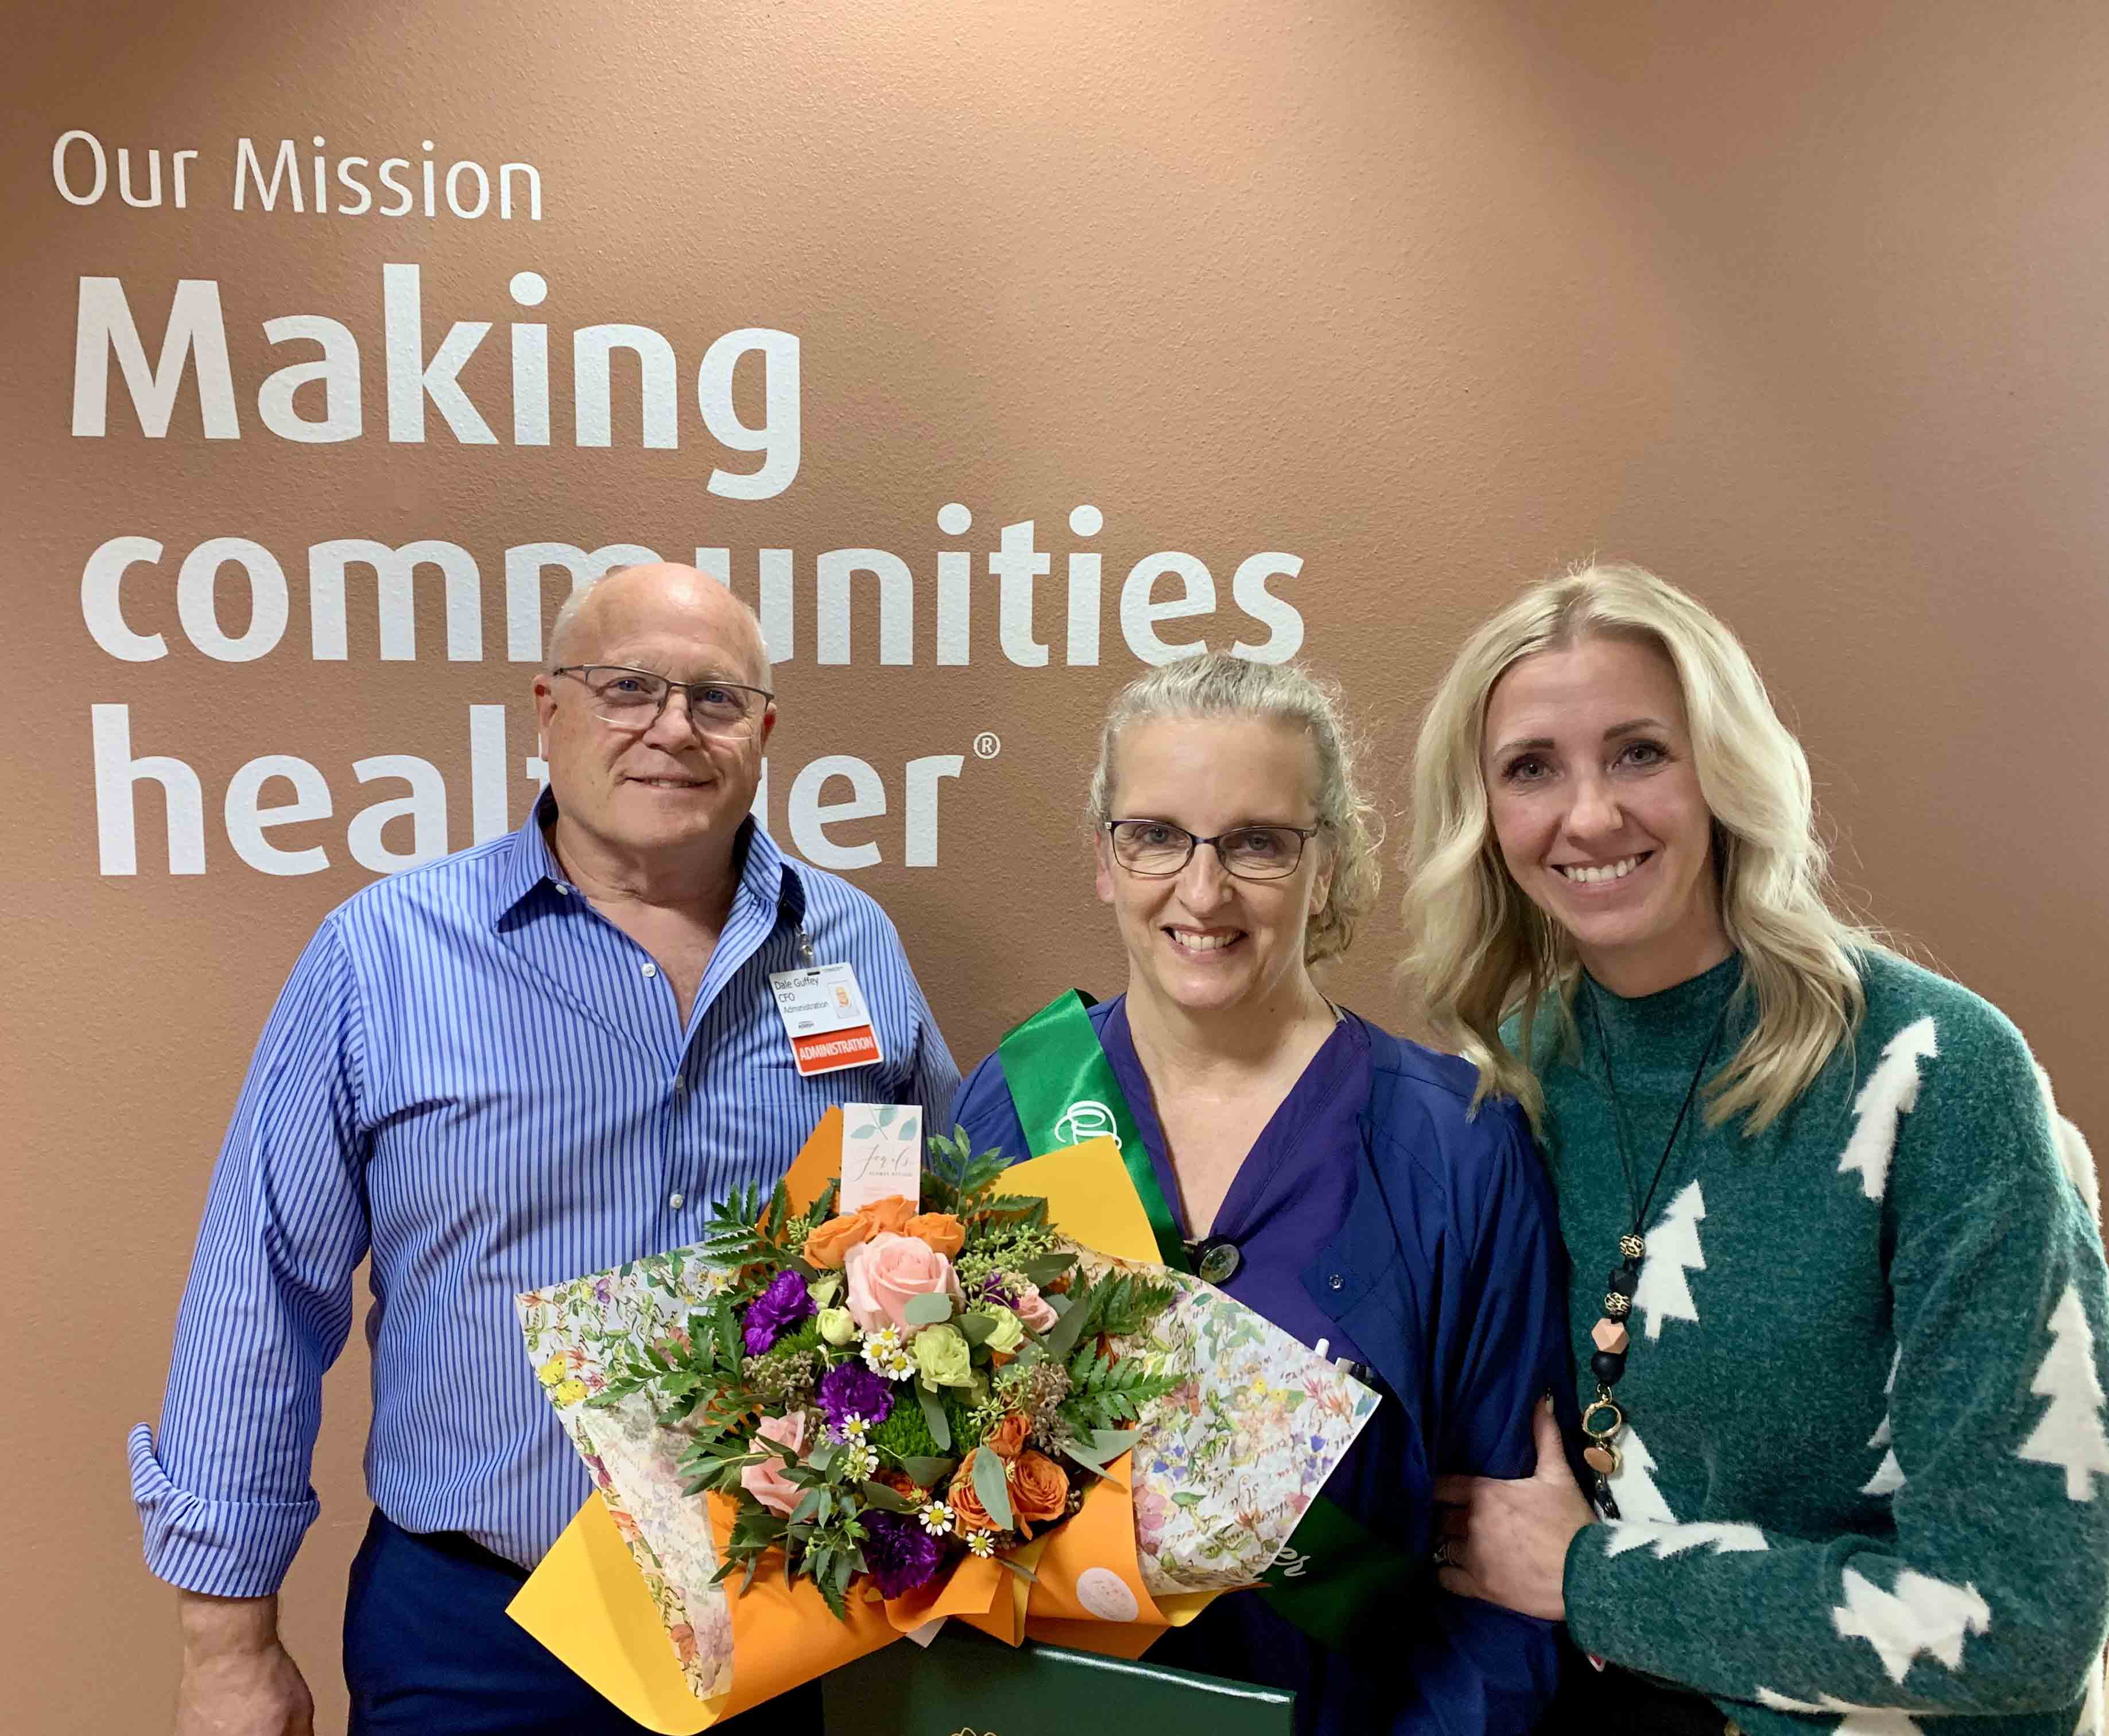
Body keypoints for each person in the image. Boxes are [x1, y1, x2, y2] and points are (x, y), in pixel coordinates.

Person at [130, 564, 960, 1736]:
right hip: (473, 1635)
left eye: (715, 700)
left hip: (771, 1624)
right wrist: (227, 1642)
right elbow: (258, 1290)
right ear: (548, 712)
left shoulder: (851, 946)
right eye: (627, 686)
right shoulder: (386, 954)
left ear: (763, 733)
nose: (671, 728)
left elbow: (945, 1235)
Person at [1407, 561, 2109, 1735]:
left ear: (1725, 769)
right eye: (1533, 768)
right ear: (1484, 816)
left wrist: (1591, 1582)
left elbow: (2020, 1620)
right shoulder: (1507, 1080)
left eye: (1640, 752)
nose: (1589, 815)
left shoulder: (1937, 1071)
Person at [950, 652, 1570, 1735]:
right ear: (1105, 858)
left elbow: (1501, 1582)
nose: (1203, 891)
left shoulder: (1457, 1147)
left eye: (1256, 844)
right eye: (1155, 835)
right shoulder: (1011, 1103)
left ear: (1324, 865)